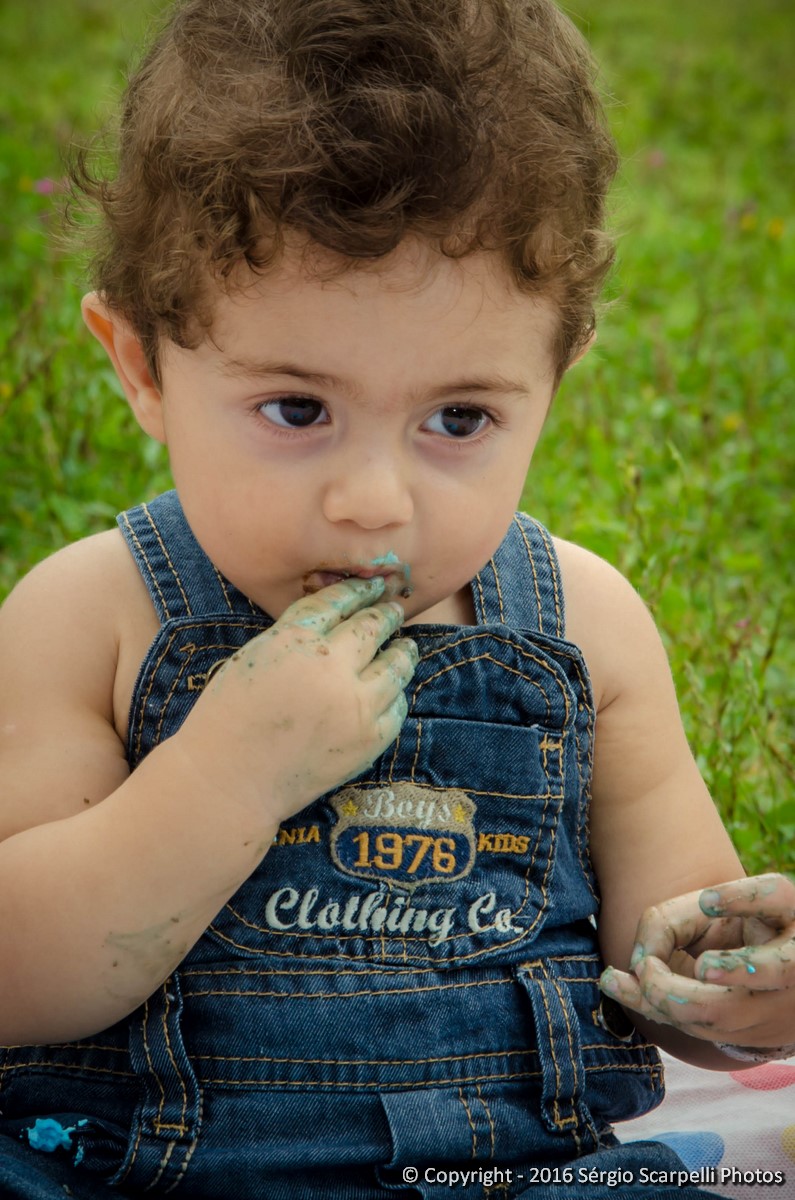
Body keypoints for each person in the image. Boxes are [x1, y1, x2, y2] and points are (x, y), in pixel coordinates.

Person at [0, 0, 792, 1196]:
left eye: (459, 418)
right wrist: (223, 779)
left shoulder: (584, 628)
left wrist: (743, 992)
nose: (374, 501)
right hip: (150, 1175)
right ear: (142, 366)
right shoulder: (95, 617)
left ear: (554, 379)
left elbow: (664, 972)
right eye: (297, 409)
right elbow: (19, 979)